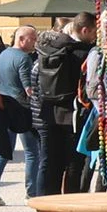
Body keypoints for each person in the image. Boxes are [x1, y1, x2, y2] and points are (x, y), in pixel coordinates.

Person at [29, 16, 95, 201]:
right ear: (84, 30)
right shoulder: (84, 52)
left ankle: (51, 209)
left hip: (48, 111)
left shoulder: (45, 49)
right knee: (74, 161)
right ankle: (72, 205)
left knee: (51, 161)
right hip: (73, 112)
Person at [0, 27, 36, 212]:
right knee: (32, 153)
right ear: (21, 39)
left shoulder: (2, 55)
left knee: (4, 150)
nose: (35, 42)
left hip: (3, 106)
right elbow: (28, 89)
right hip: (22, 109)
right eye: (33, 38)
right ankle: (31, 193)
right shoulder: (24, 59)